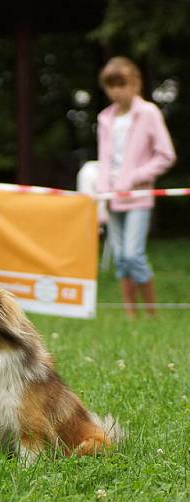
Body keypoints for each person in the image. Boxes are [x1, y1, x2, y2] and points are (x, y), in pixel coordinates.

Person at [96, 56, 175, 318]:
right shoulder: (105, 118)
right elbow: (105, 159)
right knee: (120, 259)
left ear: (135, 83)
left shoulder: (148, 113)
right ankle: (132, 317)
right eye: (111, 86)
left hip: (138, 196)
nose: (116, 91)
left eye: (122, 84)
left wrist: (136, 177)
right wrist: (103, 188)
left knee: (133, 254)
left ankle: (152, 315)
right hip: (111, 197)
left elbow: (166, 155)